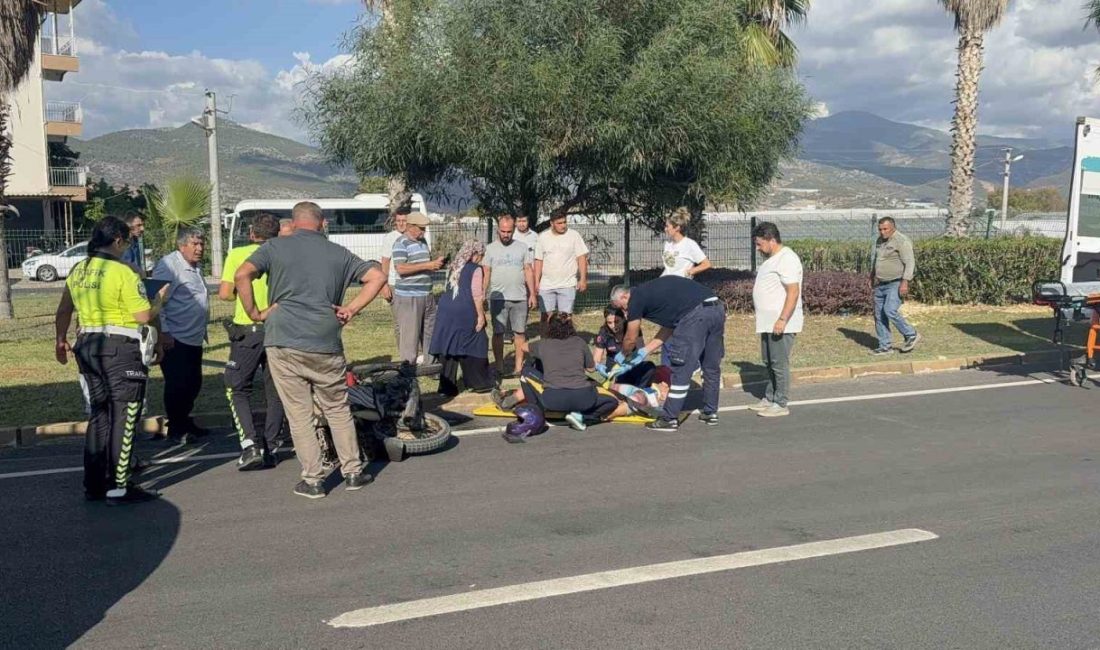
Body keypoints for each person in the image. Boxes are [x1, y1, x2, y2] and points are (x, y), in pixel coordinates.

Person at [235, 201, 387, 499]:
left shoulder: (275, 247)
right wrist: (351, 309)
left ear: (292, 224)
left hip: (283, 339)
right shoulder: (339, 252)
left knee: (299, 413)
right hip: (325, 340)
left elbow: (242, 275)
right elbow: (378, 277)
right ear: (322, 223)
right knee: (337, 408)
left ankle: (313, 479)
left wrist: (255, 313)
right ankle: (353, 471)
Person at [54, 216, 162, 505]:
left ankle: (94, 483)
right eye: (126, 242)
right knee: (124, 415)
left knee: (99, 414)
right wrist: (160, 299)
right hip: (119, 347)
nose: (126, 248)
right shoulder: (122, 271)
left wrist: (60, 339)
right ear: (117, 241)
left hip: (87, 344)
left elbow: (64, 309)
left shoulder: (79, 269)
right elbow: (143, 315)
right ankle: (119, 486)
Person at [610, 275, 725, 432]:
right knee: (710, 366)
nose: (625, 312)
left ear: (624, 296)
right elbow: (669, 328)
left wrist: (623, 356)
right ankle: (710, 412)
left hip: (695, 316)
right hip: (716, 309)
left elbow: (631, 337)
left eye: (622, 307)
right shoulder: (654, 294)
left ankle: (669, 419)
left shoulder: (635, 298)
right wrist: (645, 350)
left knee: (681, 370)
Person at [218, 212, 286, 470]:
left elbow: (225, 293)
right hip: (278, 328)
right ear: (277, 233)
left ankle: (250, 444)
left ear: (251, 233)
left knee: (236, 386)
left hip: (249, 328)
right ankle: (272, 442)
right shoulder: (282, 254)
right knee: (275, 388)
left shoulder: (238, 254)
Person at [494, 312, 630, 431]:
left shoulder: (543, 344)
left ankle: (534, 409)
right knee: (612, 402)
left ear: (550, 327)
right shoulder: (579, 342)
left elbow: (523, 347)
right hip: (583, 397)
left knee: (526, 371)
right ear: (571, 327)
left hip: (553, 399)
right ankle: (583, 417)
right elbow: (591, 368)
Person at [152, 227, 209, 444]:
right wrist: (164, 332)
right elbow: (157, 301)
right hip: (175, 336)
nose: (200, 248)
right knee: (178, 384)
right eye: (195, 244)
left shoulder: (195, 266)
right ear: (181, 245)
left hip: (193, 336)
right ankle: (176, 427)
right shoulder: (169, 266)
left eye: (202, 243)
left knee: (193, 382)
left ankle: (184, 420)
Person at [750, 222, 803, 418]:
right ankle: (770, 397)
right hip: (767, 322)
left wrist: (782, 319)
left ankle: (781, 403)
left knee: (779, 363)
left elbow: (793, 291)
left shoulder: (787, 258)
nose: (758, 248)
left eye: (759, 244)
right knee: (768, 361)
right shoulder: (773, 259)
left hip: (780, 322)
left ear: (772, 240)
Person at [429, 241, 494, 396]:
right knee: (476, 340)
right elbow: (476, 294)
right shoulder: (475, 269)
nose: (481, 258)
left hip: (446, 309)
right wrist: (481, 316)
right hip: (465, 308)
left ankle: (447, 387)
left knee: (449, 344)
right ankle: (478, 382)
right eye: (481, 255)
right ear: (475, 254)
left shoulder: (454, 266)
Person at [482, 215, 536, 377]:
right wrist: (483, 294)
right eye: (503, 231)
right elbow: (486, 272)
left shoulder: (522, 247)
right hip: (498, 299)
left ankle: (518, 367)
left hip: (519, 297)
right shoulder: (490, 249)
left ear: (513, 230)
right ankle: (499, 367)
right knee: (498, 333)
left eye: (509, 231)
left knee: (519, 333)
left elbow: (528, 270)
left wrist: (532, 294)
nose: (506, 234)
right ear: (498, 229)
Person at [391, 212, 444, 364]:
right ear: (411, 226)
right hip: (409, 297)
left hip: (427, 294)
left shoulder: (423, 242)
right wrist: (427, 265)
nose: (423, 232)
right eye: (421, 228)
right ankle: (408, 368)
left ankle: (431, 365)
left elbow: (423, 265)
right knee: (410, 336)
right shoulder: (400, 243)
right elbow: (401, 268)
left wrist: (435, 265)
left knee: (430, 332)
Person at [870, 217, 921, 355]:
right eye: (880, 229)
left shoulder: (901, 241)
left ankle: (911, 334)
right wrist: (872, 276)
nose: (882, 232)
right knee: (879, 315)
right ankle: (885, 346)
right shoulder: (880, 240)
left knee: (890, 310)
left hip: (895, 282)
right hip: (880, 283)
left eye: (885, 229)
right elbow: (877, 260)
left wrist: (905, 282)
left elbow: (909, 262)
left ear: (893, 227)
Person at [533, 214, 589, 322]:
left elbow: (581, 257)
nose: (563, 225)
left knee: (565, 318)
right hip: (546, 285)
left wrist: (583, 279)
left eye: (564, 222)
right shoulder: (542, 237)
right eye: (559, 223)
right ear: (551, 223)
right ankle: (546, 334)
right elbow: (538, 260)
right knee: (546, 317)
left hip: (567, 284)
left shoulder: (574, 235)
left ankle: (565, 334)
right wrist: (536, 282)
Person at [592, 306, 657, 387]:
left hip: (632, 365)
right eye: (609, 323)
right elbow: (596, 359)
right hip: (615, 370)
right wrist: (598, 366)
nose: (613, 325)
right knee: (621, 381)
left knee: (649, 367)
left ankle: (639, 390)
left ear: (623, 319)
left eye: (617, 321)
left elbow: (641, 350)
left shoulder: (632, 329)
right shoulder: (604, 332)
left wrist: (628, 364)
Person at [380, 211, 408, 346]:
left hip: (410, 284)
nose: (401, 223)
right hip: (394, 284)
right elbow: (385, 261)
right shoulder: (390, 238)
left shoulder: (412, 236)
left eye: (404, 220)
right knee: (399, 322)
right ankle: (403, 351)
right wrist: (384, 285)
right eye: (399, 221)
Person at [661, 207, 711, 279]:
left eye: (667, 226)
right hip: (666, 281)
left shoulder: (689, 244)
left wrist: (691, 271)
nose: (665, 229)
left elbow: (706, 264)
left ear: (677, 228)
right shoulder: (668, 244)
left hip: (681, 283)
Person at [120, 212, 146, 278]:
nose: (142, 229)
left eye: (143, 225)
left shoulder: (136, 242)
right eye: (138, 225)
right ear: (128, 225)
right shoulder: (118, 245)